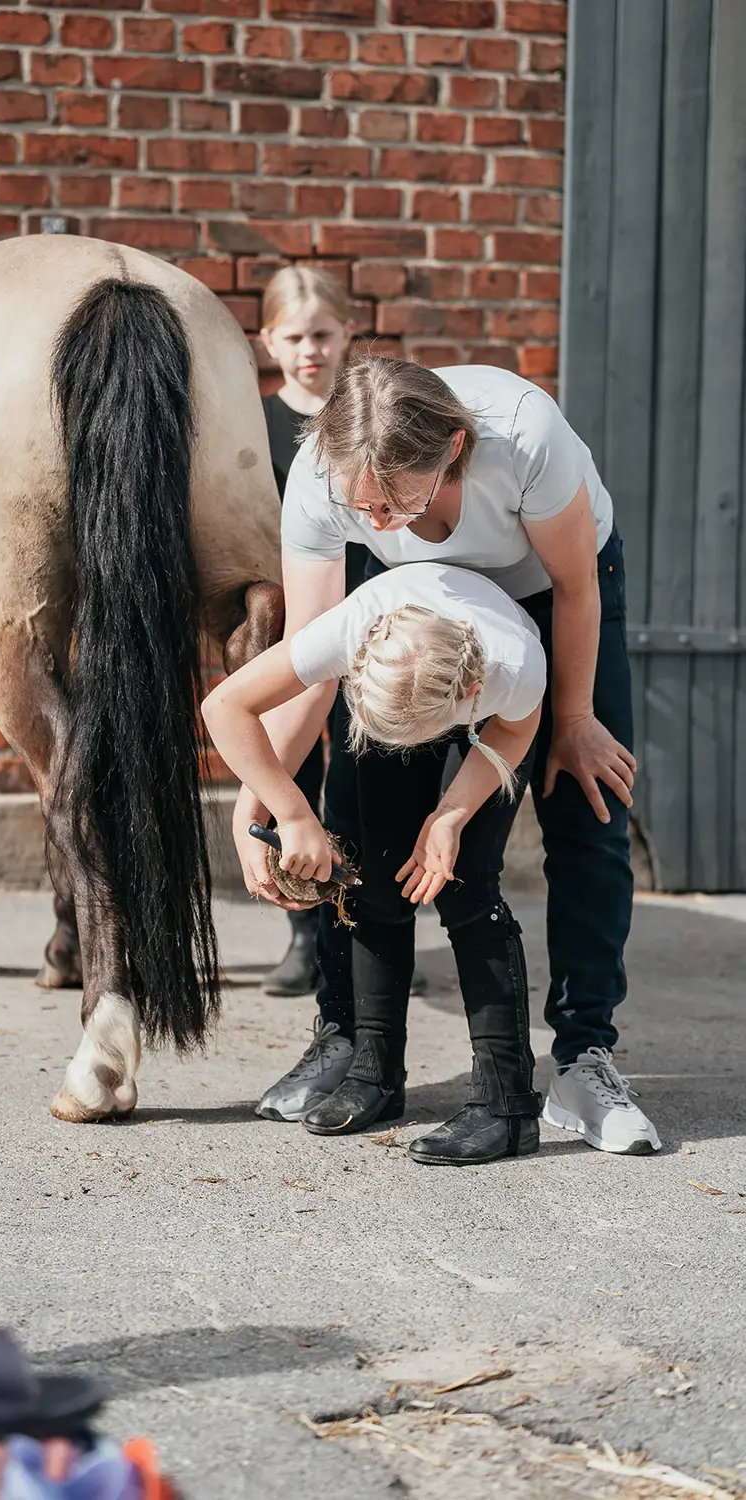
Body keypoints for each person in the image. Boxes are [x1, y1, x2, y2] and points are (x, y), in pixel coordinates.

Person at [234, 358, 660, 1157]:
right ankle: (350, 1040)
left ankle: (582, 1056)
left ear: (455, 448)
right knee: (359, 818)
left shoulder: (525, 437)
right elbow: (307, 664)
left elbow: (574, 589)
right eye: (365, 505)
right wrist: (266, 792)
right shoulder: (331, 483)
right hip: (410, 604)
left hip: (551, 590)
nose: (378, 517)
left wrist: (571, 716)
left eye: (394, 499)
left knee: (587, 799)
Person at [204, 561, 545, 1162]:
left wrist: (449, 816)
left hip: (480, 719)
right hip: (402, 682)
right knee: (378, 880)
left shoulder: (514, 666)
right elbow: (224, 707)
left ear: (469, 695)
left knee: (466, 887)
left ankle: (506, 1106)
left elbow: (516, 733)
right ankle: (376, 1074)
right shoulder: (351, 630)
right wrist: (292, 813)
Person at [256, 268, 361, 997]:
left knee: (367, 765)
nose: (309, 351)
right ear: (268, 341)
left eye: (322, 334)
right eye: (294, 337)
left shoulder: (367, 413)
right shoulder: (255, 423)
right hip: (294, 623)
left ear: (348, 332)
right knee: (297, 772)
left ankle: (363, 919)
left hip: (372, 619)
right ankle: (304, 929)